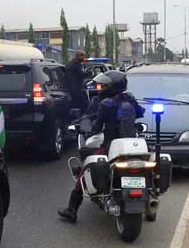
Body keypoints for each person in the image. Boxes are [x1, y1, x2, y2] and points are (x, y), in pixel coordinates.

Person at [58, 71, 145, 222]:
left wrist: (90, 129)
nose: (102, 87)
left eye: (105, 85)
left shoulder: (106, 104)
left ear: (112, 86)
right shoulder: (129, 98)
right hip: (132, 145)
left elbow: (97, 126)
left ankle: (72, 209)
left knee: (85, 170)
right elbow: (140, 113)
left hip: (111, 145)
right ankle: (151, 208)